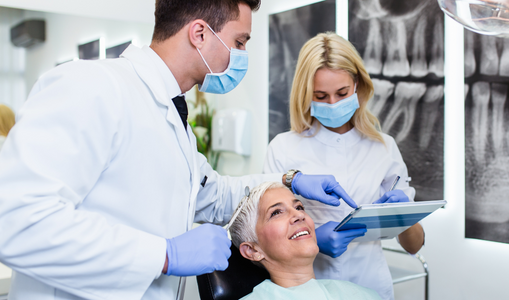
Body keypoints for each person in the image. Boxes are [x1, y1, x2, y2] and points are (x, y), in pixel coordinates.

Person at [0, 2, 357, 300]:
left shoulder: (171, 117)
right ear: (200, 34)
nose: (243, 54)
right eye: (240, 41)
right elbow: (14, 221)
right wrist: (164, 256)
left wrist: (290, 181)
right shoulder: (92, 87)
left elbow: (213, 195)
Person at [263, 32, 425, 300]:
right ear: (306, 94)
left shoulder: (384, 147)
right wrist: (314, 241)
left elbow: (414, 245)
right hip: (306, 289)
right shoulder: (282, 148)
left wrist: (404, 217)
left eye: (342, 93)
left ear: (357, 86)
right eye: (321, 96)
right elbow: (267, 239)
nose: (333, 104)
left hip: (371, 286)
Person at [230, 181, 382, 300]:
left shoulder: (364, 296)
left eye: (299, 207)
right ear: (253, 250)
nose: (299, 215)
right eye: (276, 212)